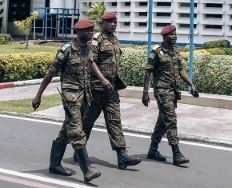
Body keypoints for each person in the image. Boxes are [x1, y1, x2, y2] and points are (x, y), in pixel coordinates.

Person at [32, 19, 109, 183]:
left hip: (85, 96)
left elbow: (91, 63)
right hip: (70, 96)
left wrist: (102, 79)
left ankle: (54, 165)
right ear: (78, 32)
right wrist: (38, 95)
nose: (90, 33)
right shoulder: (66, 50)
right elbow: (50, 73)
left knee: (66, 130)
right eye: (87, 31)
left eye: (91, 30)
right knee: (76, 130)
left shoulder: (88, 48)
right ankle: (87, 170)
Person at [80, 12, 141, 170]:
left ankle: (122, 156)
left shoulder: (115, 40)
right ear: (103, 24)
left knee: (115, 121)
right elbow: (90, 60)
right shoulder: (97, 40)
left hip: (111, 89)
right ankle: (79, 150)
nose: (113, 24)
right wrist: (102, 78)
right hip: (97, 88)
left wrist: (110, 81)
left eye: (115, 22)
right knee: (87, 122)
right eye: (110, 22)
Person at [142, 24, 199, 166]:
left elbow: (181, 70)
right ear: (164, 36)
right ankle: (176, 153)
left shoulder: (175, 51)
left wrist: (191, 85)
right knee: (171, 120)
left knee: (163, 122)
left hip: (173, 92)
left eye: (175, 34)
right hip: (162, 91)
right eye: (171, 34)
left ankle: (152, 150)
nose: (174, 36)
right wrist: (145, 92)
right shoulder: (156, 52)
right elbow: (148, 72)